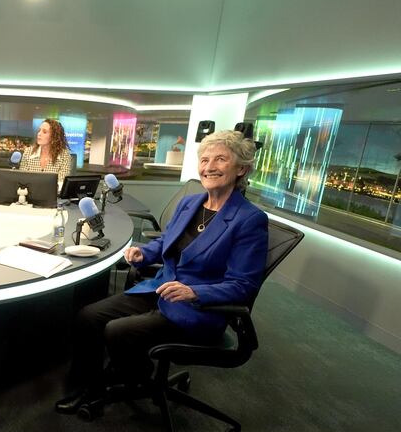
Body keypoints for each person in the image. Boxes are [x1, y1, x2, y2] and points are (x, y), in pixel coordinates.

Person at [55, 130, 268, 414]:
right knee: (88, 316)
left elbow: (244, 285)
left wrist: (194, 292)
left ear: (241, 168)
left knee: (117, 331)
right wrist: (145, 254)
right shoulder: (190, 203)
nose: (209, 167)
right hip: (160, 289)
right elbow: (166, 241)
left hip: (199, 310)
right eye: (204, 160)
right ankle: (88, 383)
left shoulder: (249, 220)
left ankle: (126, 378)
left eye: (220, 159)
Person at [20, 118, 72, 184]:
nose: (39, 134)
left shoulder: (64, 155)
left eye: (44, 132)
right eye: (39, 130)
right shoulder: (28, 152)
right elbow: (22, 179)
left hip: (53, 193)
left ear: (54, 137)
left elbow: (61, 183)